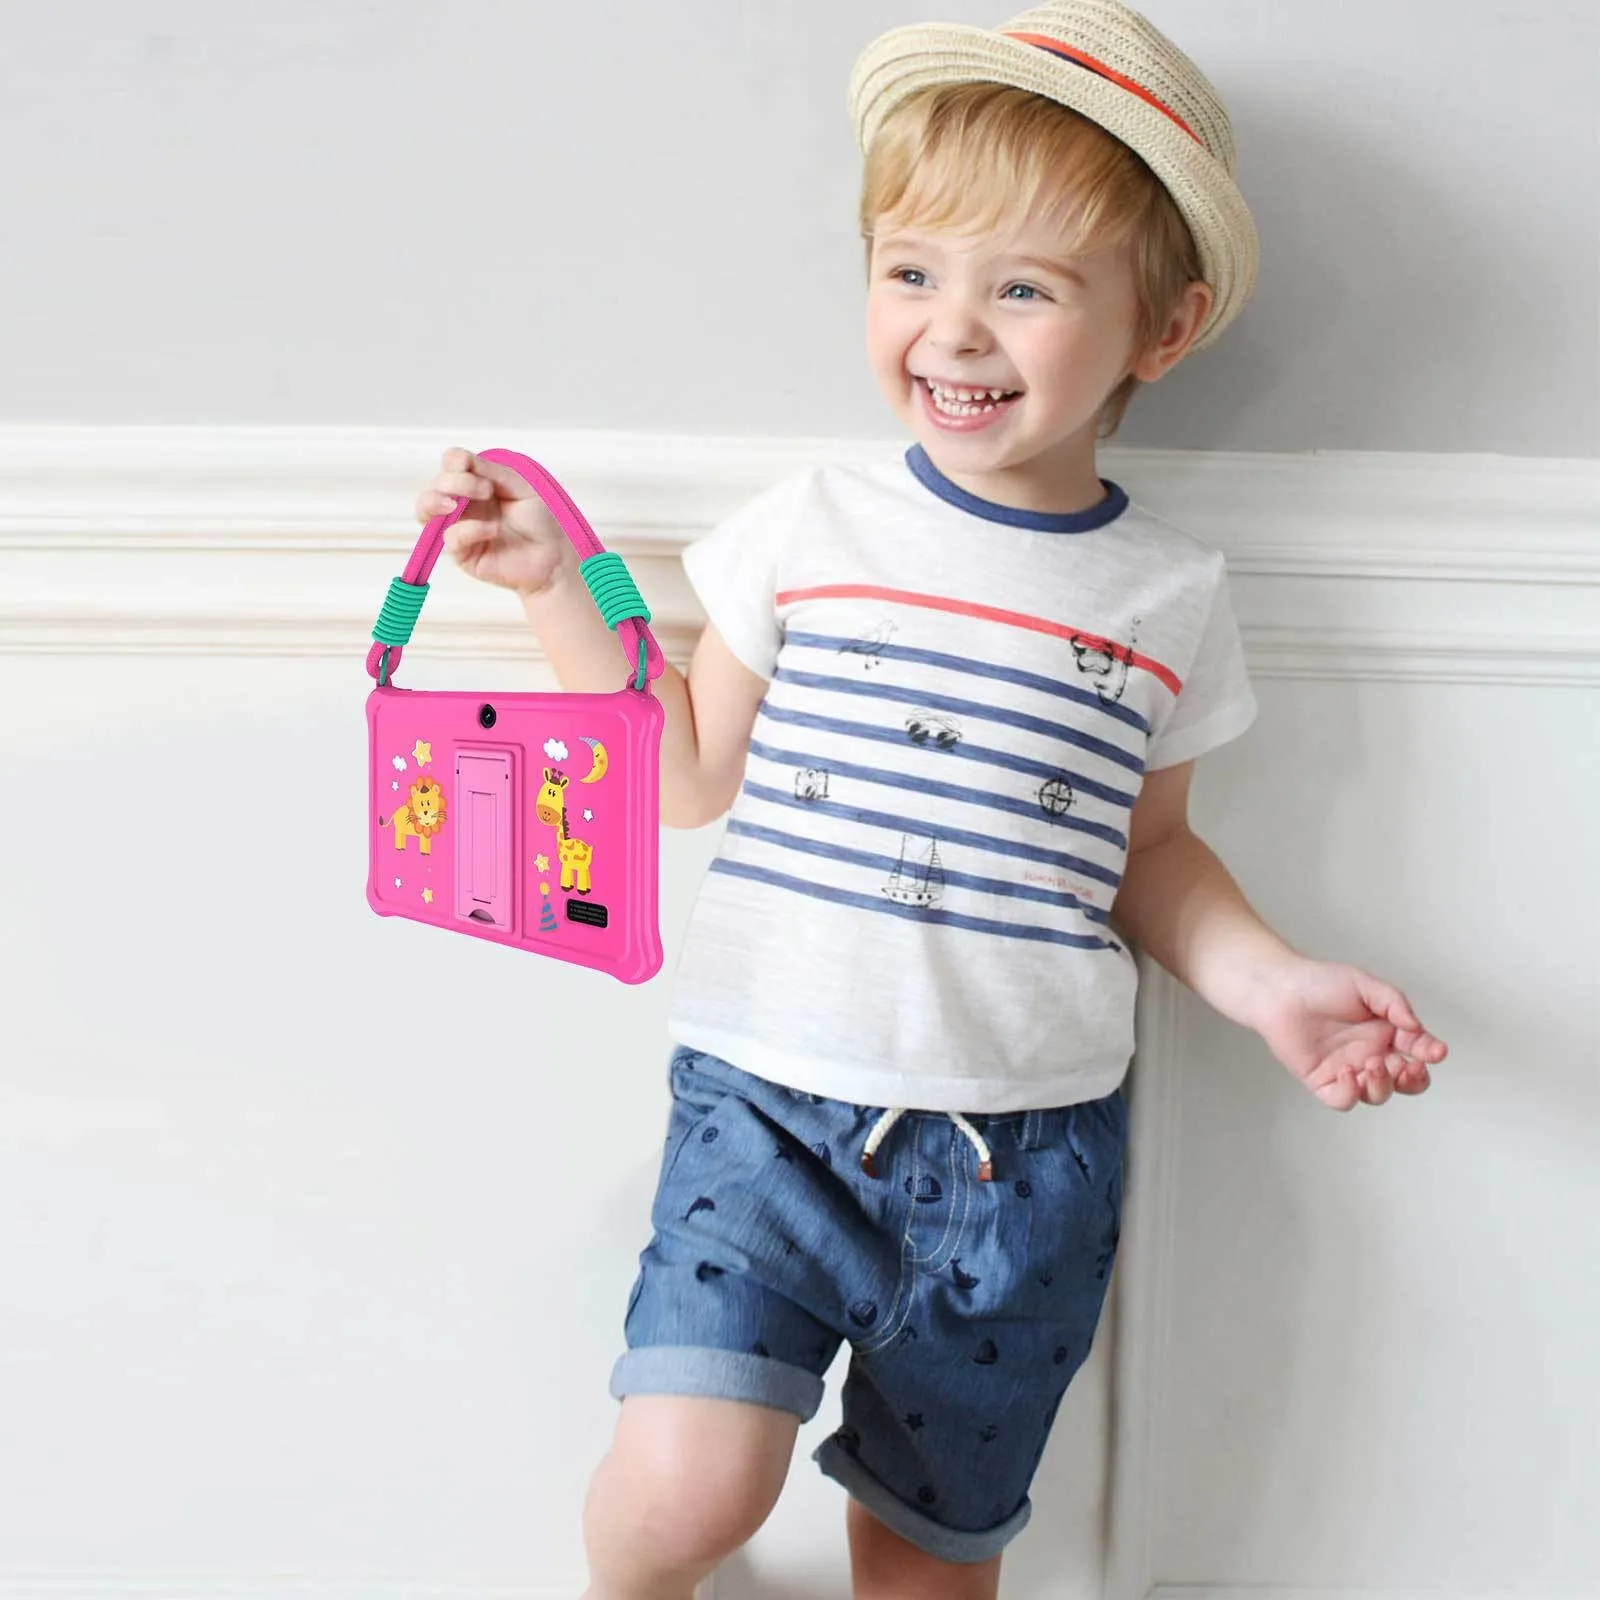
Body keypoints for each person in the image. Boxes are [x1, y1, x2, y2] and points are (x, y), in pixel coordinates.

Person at [413, 4, 1449, 1595]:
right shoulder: (811, 529)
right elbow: (682, 774)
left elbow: (1149, 853)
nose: (953, 331)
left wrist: (1269, 985)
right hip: (767, 1111)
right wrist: (558, 588)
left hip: (1025, 1164)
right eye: (911, 272)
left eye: (1022, 288)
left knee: (930, 1553)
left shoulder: (1168, 596)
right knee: (686, 1493)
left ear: (1160, 331)